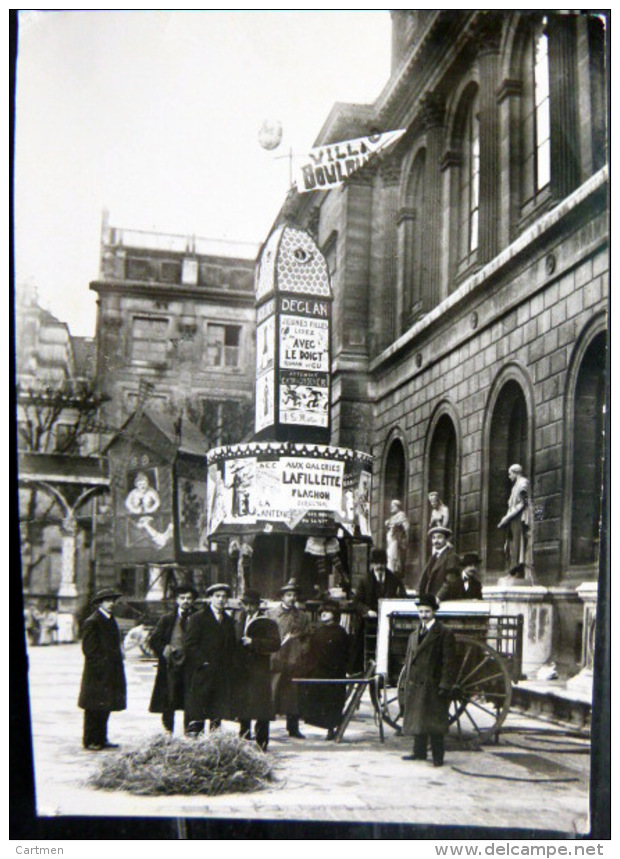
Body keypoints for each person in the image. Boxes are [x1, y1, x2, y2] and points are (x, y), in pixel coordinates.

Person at [401, 594, 457, 767]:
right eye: (421, 611)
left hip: (434, 684)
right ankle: (419, 752)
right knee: (419, 717)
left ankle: (438, 757)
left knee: (434, 722)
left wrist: (445, 684)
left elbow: (449, 662)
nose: (424, 615)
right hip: (416, 683)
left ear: (434, 612)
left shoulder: (444, 633)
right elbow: (410, 660)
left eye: (427, 611)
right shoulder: (414, 635)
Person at [77, 587, 127, 751]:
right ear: (99, 603)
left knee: (105, 706)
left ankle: (101, 738)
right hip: (97, 674)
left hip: (110, 672)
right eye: (107, 600)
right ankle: (90, 740)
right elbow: (89, 651)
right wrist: (102, 668)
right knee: (93, 708)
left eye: (113, 600)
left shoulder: (110, 619)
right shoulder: (93, 621)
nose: (111, 604)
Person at [185, 582, 237, 735]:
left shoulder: (228, 621)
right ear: (210, 598)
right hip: (203, 673)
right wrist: (203, 662)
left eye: (224, 597)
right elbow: (190, 644)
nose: (221, 600)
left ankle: (215, 744)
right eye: (217, 596)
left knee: (217, 713)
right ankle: (197, 746)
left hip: (221, 673)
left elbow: (231, 646)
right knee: (199, 712)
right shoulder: (198, 618)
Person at [147, 584, 198, 734]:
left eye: (189, 598)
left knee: (190, 698)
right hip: (171, 667)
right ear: (176, 600)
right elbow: (154, 640)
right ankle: (168, 731)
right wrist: (165, 649)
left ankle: (190, 731)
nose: (186, 601)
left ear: (193, 600)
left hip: (191, 667)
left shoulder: (199, 617)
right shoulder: (167, 619)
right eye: (182, 598)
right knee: (169, 698)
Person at [235, 589, 281, 751]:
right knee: (244, 706)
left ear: (258, 605)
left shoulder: (267, 622)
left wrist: (253, 642)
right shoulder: (240, 619)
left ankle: (262, 742)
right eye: (245, 604)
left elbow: (275, 644)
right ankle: (244, 738)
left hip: (259, 670)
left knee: (261, 708)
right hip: (243, 670)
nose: (248, 608)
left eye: (252, 605)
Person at [301, 600, 350, 741]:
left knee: (332, 702)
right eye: (322, 612)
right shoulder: (318, 631)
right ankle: (327, 727)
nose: (323, 614)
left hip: (334, 672)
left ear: (334, 615)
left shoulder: (340, 633)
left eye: (327, 612)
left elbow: (344, 654)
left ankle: (331, 729)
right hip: (319, 671)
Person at [268, 579, 311, 739]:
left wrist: (302, 651)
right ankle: (265, 728)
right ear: (282, 597)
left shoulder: (302, 616)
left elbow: (307, 636)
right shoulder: (272, 614)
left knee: (293, 695)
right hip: (276, 658)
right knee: (272, 692)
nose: (292, 598)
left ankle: (293, 728)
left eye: (294, 595)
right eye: (288, 595)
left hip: (294, 661)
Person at [497, 464, 534, 580]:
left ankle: (518, 570)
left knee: (519, 543)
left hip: (521, 517)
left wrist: (506, 518)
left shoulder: (523, 483)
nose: (509, 476)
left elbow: (524, 503)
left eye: (510, 473)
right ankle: (513, 570)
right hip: (515, 517)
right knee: (512, 543)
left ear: (515, 472)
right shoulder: (515, 486)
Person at [418, 526, 463, 601]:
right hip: (431, 600)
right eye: (433, 538)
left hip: (444, 600)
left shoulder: (451, 556)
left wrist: (438, 598)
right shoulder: (433, 557)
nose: (436, 540)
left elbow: (450, 581)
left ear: (446, 539)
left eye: (439, 537)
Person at [385, 500, 410, 578]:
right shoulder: (393, 517)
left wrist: (401, 533)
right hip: (391, 540)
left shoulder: (401, 515)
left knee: (393, 558)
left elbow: (406, 526)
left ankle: (393, 574)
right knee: (390, 557)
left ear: (398, 506)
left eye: (393, 506)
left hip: (396, 540)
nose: (391, 508)